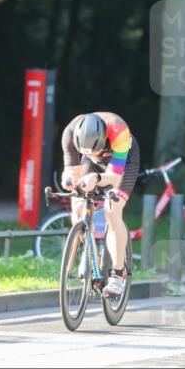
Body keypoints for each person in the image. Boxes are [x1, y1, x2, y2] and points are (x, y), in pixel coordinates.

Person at [61, 112, 140, 297]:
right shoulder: (70, 133)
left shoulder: (119, 132)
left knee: (111, 209)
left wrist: (96, 178)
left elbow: (113, 177)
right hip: (91, 162)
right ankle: (90, 255)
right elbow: (71, 170)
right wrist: (69, 179)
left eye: (97, 149)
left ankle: (117, 275)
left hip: (124, 161)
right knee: (78, 205)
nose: (95, 154)